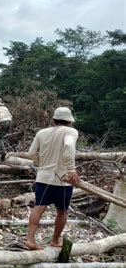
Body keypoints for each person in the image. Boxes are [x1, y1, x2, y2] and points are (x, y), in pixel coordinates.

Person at [25, 107, 80, 250]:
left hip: (43, 178)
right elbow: (68, 146)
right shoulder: (71, 132)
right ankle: (55, 240)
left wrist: (41, 164)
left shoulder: (42, 133)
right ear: (69, 121)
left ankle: (30, 239)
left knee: (38, 207)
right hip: (62, 180)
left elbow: (31, 153)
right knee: (62, 211)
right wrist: (71, 169)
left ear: (54, 120)